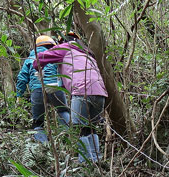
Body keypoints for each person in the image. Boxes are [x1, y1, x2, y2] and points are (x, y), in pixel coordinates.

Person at [34, 32, 108, 163]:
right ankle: (97, 160)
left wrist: (37, 68)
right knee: (91, 129)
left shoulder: (65, 47)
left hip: (82, 90)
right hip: (100, 93)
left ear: (62, 41)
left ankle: (85, 162)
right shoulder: (88, 53)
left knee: (79, 128)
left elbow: (40, 58)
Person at [14, 35, 70, 143]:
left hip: (37, 90)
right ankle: (69, 139)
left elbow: (22, 78)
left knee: (38, 121)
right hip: (55, 86)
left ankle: (43, 146)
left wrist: (19, 96)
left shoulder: (30, 58)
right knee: (63, 111)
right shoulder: (55, 55)